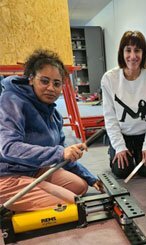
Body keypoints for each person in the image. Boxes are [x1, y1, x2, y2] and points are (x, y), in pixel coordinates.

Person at [0, 49, 102, 212]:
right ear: (31, 79)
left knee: (80, 186)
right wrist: (60, 153)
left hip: (33, 169)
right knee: (70, 204)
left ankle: (37, 188)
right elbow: (9, 148)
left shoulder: (53, 114)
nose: (51, 88)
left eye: (56, 83)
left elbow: (63, 153)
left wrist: (90, 178)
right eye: (44, 81)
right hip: (6, 174)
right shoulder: (12, 100)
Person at [101, 30, 146, 179]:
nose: (133, 56)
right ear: (121, 52)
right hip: (123, 134)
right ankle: (117, 151)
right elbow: (110, 117)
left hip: (145, 133)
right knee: (121, 171)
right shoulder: (109, 79)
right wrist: (119, 147)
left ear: (143, 53)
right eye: (128, 50)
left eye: (137, 50)